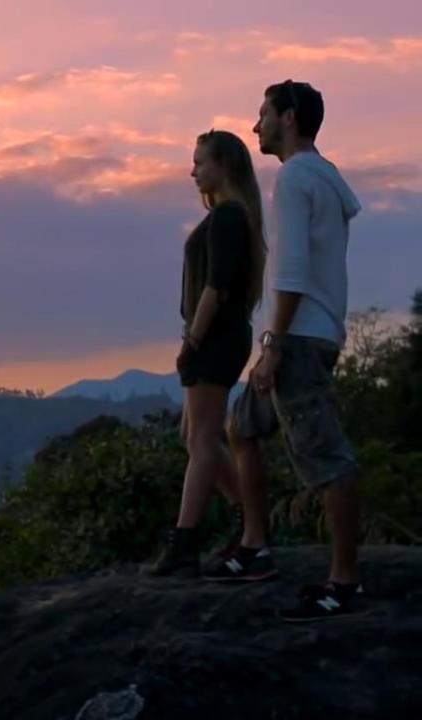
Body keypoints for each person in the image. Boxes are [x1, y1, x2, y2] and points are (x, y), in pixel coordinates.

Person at [204, 80, 366, 622]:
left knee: (326, 457)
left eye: (263, 115)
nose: (256, 127)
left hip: (296, 337)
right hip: (306, 332)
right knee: (241, 428)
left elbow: (293, 270)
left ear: (289, 118)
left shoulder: (296, 177)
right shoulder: (324, 174)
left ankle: (344, 582)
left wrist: (271, 343)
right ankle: (255, 546)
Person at [148, 129, 265, 578]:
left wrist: (192, 341)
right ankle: (246, 517)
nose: (192, 170)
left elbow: (216, 286)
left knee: (201, 441)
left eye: (200, 161)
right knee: (193, 437)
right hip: (216, 337)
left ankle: (185, 542)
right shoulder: (228, 216)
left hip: (215, 339)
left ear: (223, 165)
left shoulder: (230, 217)